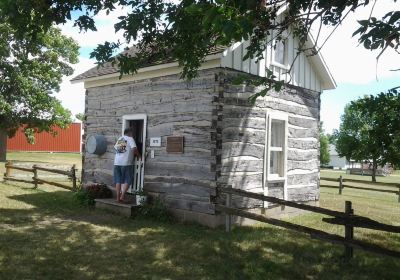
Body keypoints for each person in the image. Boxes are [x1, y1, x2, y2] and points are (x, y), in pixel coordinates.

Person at [113, 128, 141, 203]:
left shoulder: (121, 138)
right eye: (132, 133)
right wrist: (139, 156)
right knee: (128, 180)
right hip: (126, 163)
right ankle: (122, 197)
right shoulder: (130, 138)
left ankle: (118, 198)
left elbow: (117, 150)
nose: (133, 135)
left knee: (118, 180)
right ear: (130, 133)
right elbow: (134, 149)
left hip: (117, 162)